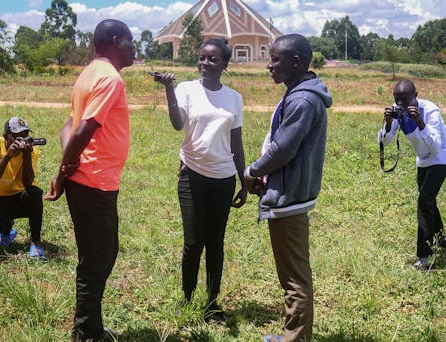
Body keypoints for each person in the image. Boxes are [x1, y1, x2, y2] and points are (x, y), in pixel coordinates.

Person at [44, 19, 136, 342]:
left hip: (89, 181)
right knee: (97, 259)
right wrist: (61, 171)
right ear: (115, 41)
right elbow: (81, 131)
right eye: (130, 40)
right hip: (94, 183)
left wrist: (65, 169)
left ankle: (90, 328)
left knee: (101, 254)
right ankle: (85, 334)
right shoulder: (110, 79)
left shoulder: (88, 74)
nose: (134, 47)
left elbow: (67, 126)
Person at [243, 34, 332, 342]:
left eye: (275, 59)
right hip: (289, 192)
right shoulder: (299, 94)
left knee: (294, 279)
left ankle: (294, 339)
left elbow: (282, 150)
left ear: (295, 62)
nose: (269, 65)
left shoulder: (302, 99)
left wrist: (252, 171)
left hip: (289, 199)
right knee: (293, 275)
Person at [155, 38, 247, 323]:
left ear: (225, 65)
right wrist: (170, 89)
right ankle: (187, 297)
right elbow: (176, 123)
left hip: (223, 178)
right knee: (193, 242)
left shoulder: (233, 98)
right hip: (191, 174)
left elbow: (236, 142)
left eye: (212, 59)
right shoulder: (186, 89)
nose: (205, 63)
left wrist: (244, 180)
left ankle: (212, 303)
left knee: (215, 243)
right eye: (202, 58)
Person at [378, 78, 446, 271]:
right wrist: (388, 124)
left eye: (405, 99)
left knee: (424, 201)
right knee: (428, 199)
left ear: (416, 96)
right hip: (423, 158)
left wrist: (420, 122)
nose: (400, 104)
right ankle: (441, 238)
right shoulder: (398, 112)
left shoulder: (430, 110)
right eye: (397, 99)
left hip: (441, 155)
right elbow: (385, 142)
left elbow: (435, 146)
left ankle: (424, 257)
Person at [0, 116, 45, 260]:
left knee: (35, 193)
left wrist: (26, 155)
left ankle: (35, 240)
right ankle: (7, 229)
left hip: (23, 196)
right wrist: (7, 156)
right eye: (16, 137)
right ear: (5, 137)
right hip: (1, 197)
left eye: (25, 136)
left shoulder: (31, 148)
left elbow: (28, 183)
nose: (22, 141)